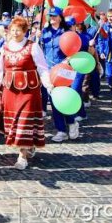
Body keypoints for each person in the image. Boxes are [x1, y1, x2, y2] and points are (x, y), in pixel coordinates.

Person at [0, 16, 53, 170]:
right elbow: (0, 68)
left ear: (25, 31)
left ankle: (22, 156)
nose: (14, 33)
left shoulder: (32, 47)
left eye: (18, 30)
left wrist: (48, 84)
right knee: (14, 121)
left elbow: (42, 67)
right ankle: (27, 146)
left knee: (25, 121)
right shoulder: (6, 47)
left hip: (28, 92)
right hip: (10, 91)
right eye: (12, 30)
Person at [40, 8, 80, 142]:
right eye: (50, 15)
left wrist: (67, 60)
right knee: (55, 100)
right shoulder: (44, 32)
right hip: (49, 71)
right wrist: (36, 36)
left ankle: (72, 122)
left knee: (65, 99)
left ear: (60, 17)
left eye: (55, 16)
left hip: (64, 70)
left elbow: (74, 50)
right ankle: (61, 130)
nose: (52, 18)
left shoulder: (66, 33)